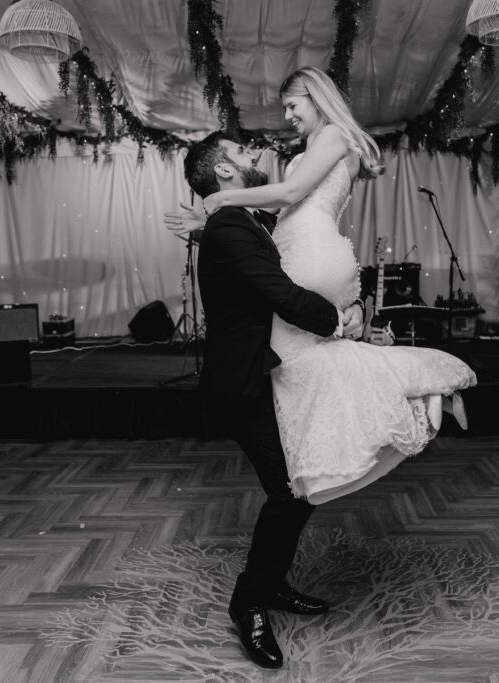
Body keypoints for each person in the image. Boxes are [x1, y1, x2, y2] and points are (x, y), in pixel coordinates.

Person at [173, 66, 476, 507]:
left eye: (293, 105)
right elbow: (268, 227)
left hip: (312, 248)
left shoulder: (334, 135)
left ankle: (405, 398)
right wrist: (210, 226)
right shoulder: (317, 146)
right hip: (306, 245)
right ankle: (331, 449)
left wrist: (222, 200)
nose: (289, 116)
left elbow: (289, 192)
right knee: (309, 363)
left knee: (300, 352)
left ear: (316, 97)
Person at [183, 130, 366, 669]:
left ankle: (271, 584)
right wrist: (340, 323)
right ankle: (249, 602)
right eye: (240, 152)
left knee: (298, 489)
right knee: (291, 493)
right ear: (222, 171)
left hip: (265, 374)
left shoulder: (236, 222)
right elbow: (281, 295)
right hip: (240, 383)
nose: (253, 155)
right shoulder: (228, 228)